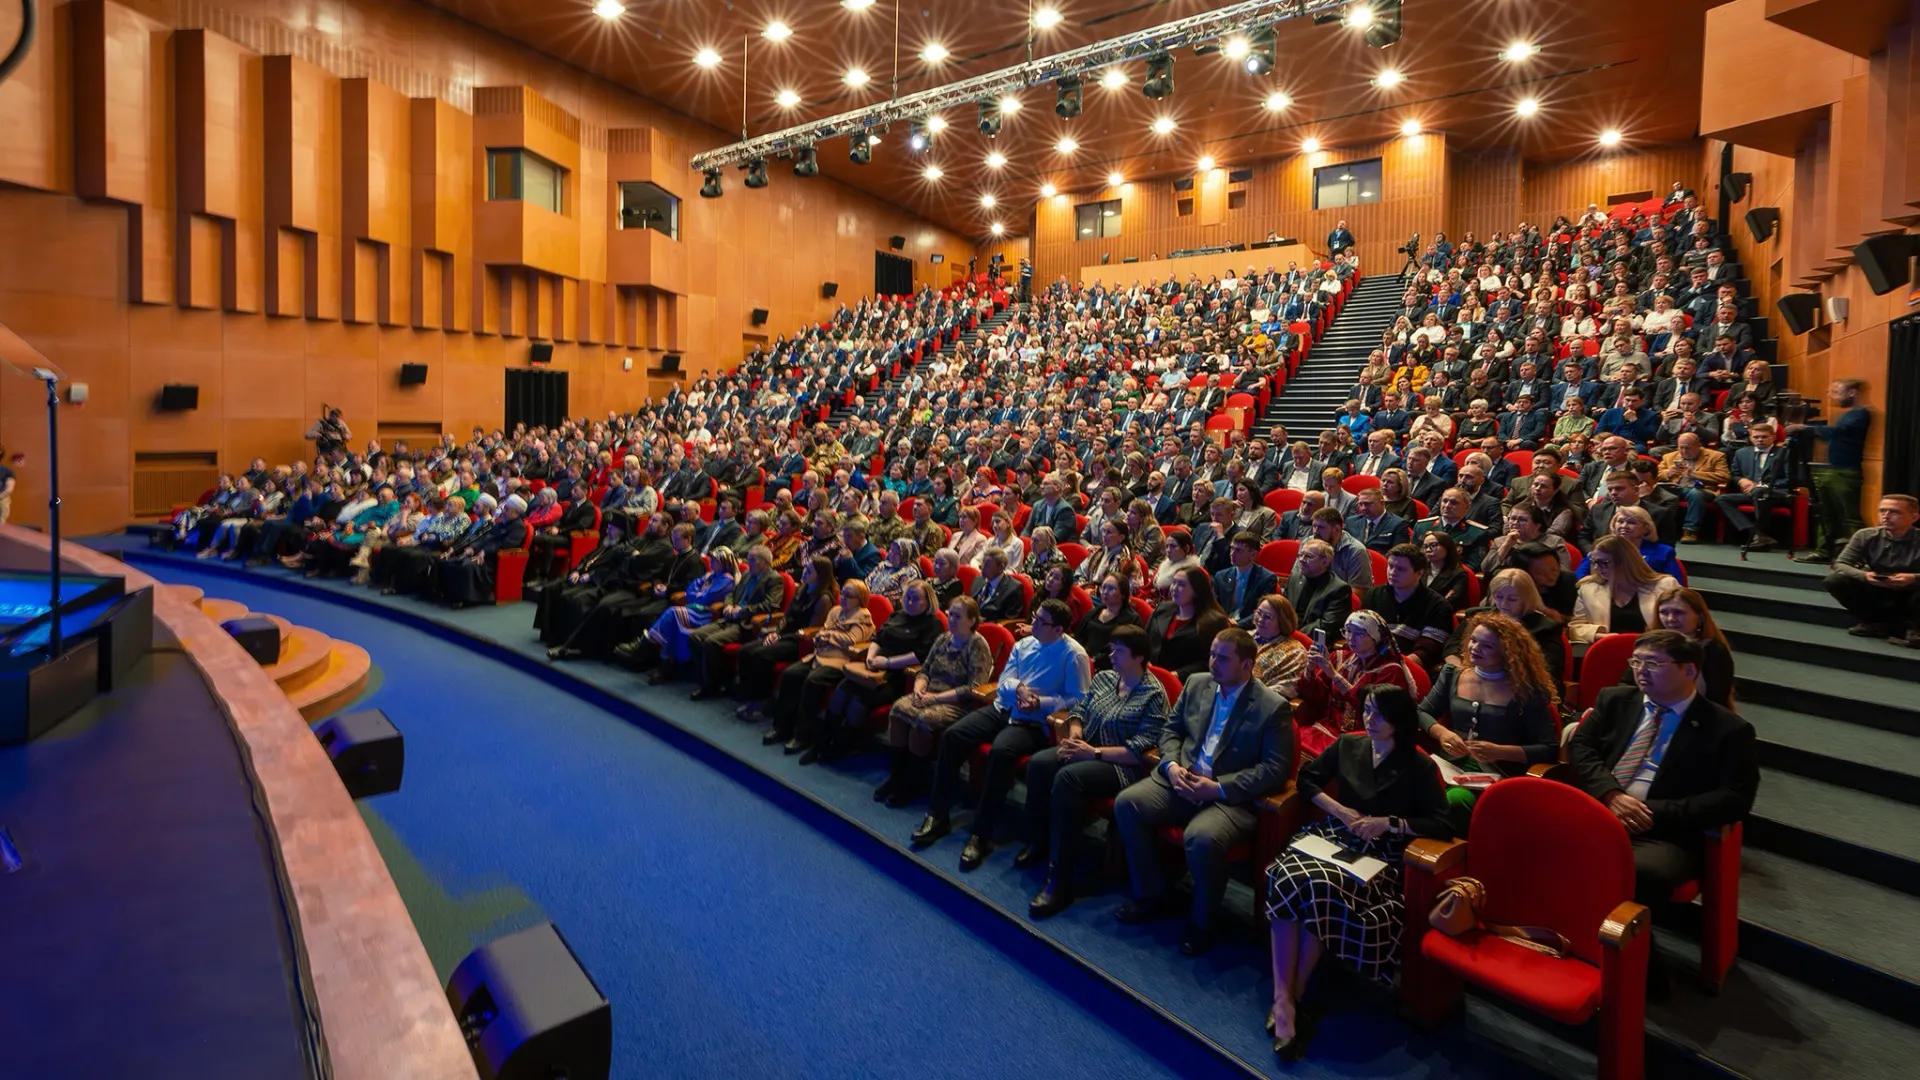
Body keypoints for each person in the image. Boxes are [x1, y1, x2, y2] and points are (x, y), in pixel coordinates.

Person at [1263, 685, 1452, 1059]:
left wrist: (1390, 824)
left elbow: (1441, 823)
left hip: (1379, 850)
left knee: (1320, 884)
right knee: (1286, 874)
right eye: (1366, 710)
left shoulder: (1418, 765)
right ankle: (1284, 995)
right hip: (1335, 833)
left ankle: (1293, 995)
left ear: (1398, 721)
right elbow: (1307, 780)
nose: (1370, 720)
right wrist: (1340, 811)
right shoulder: (1349, 745)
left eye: (1379, 714)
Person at [1112, 628, 1293, 956]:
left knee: (1202, 837)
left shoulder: (1272, 707)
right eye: (1212, 654)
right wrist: (1171, 766)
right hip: (1181, 780)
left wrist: (1219, 788)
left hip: (1228, 798)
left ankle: (1204, 921)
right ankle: (1154, 894)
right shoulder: (1197, 684)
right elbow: (1171, 731)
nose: (1213, 662)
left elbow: (1275, 769)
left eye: (1223, 658)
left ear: (1247, 665)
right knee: (1128, 803)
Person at [1567, 631, 1759, 911]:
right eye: (1636, 662)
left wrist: (1648, 812)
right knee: (1533, 834)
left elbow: (1735, 799)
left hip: (1662, 832)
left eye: (1653, 664)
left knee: (1639, 872)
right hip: (1599, 807)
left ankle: (1624, 945)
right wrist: (1610, 794)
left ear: (1689, 670)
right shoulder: (1615, 699)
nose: (1641, 671)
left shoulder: (1728, 729)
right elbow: (1582, 746)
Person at [912, 599, 1092, 871]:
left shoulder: (1073, 655)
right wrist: (1019, 689)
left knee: (1000, 752)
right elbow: (1005, 680)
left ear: (1057, 629)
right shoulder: (1024, 644)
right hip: (1003, 707)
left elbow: (1078, 699)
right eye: (1035, 616)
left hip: (1034, 722)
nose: (1033, 624)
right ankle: (938, 815)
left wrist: (1040, 703)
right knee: (954, 736)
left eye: (1041, 621)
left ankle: (981, 835)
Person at [1025, 625, 1171, 918]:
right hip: (1087, 750)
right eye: (1111, 648)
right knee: (1040, 764)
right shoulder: (1105, 678)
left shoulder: (1153, 694)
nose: (1111, 654)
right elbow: (1080, 709)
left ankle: (1061, 880)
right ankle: (1040, 841)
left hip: (1121, 767)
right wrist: (1076, 733)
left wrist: (1092, 752)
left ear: (1139, 657)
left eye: (1119, 650)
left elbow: (1139, 750)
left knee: (1069, 778)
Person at [1418, 612, 1560, 825]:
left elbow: (1549, 748)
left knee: (1453, 801)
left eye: (1487, 646)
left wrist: (1499, 751)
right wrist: (1442, 733)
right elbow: (1422, 712)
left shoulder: (1527, 691)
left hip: (1497, 774)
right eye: (1473, 640)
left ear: (1507, 653)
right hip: (1449, 764)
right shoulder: (1451, 674)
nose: (1474, 648)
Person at [812, 578, 946, 764]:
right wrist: (871, 656)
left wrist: (888, 662)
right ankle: (822, 742)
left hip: (897, 676)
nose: (910, 601)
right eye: (908, 597)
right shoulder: (897, 615)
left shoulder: (933, 624)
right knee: (841, 692)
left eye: (916, 598)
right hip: (872, 668)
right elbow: (878, 638)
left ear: (928, 601)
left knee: (857, 703)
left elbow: (920, 656)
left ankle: (842, 746)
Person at [881, 594, 998, 806]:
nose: (951, 619)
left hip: (956, 702)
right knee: (898, 709)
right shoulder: (943, 639)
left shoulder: (977, 645)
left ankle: (914, 780)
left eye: (957, 616)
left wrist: (934, 699)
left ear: (972, 620)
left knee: (923, 719)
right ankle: (897, 775)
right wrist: (919, 689)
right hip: (928, 694)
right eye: (950, 615)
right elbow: (924, 670)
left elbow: (973, 688)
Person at [767, 578, 877, 752]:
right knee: (790, 674)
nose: (844, 598)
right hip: (819, 655)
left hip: (841, 661)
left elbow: (851, 641)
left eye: (850, 595)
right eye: (844, 593)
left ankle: (802, 736)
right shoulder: (835, 611)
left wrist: (829, 636)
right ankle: (781, 727)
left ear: (860, 599)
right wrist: (824, 636)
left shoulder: (863, 616)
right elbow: (824, 630)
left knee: (813, 681)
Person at [1295, 609, 1416, 759]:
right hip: (1327, 728)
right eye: (1347, 631)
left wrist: (1333, 674)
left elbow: (1370, 708)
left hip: (1365, 738)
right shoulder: (1340, 657)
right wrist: (1310, 668)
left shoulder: (1390, 671)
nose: (1350, 638)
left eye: (1358, 633)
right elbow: (1318, 696)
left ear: (1375, 638)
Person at [734, 556, 836, 723]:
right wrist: (776, 633)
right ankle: (749, 697)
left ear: (820, 575)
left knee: (761, 654)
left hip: (798, 641)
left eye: (809, 571)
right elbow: (786, 617)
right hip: (784, 634)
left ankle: (763, 702)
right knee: (746, 651)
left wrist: (781, 636)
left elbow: (809, 630)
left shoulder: (823, 599)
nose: (804, 572)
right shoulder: (802, 589)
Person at [686, 544, 787, 699]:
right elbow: (732, 593)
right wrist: (729, 605)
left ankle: (712, 686)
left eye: (753, 559)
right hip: (729, 617)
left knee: (711, 642)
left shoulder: (774, 579)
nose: (749, 562)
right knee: (696, 636)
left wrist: (741, 611)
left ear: (764, 561)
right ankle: (703, 680)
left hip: (745, 624)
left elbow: (770, 605)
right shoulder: (746, 574)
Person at [1788, 379, 1872, 563]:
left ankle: (1863, 557)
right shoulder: (1848, 414)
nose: (1831, 396)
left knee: (1849, 517)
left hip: (1846, 472)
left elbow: (1835, 433)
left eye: (1836, 392)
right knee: (1826, 513)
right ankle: (1823, 551)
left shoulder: (1860, 414)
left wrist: (1804, 427)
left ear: (1852, 393)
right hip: (1833, 469)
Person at [1444, 567, 1569, 688]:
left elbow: (1550, 673)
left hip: (1520, 688)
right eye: (1498, 597)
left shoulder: (1545, 629)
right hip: (1470, 680)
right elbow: (1451, 647)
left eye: (1512, 599)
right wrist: (1463, 672)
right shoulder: (1477, 616)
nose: (1503, 604)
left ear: (1527, 599)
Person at [1821, 494, 1920, 647]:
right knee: (1835, 580)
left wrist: (1913, 577)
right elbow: (1840, 564)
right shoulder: (1865, 535)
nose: (1886, 516)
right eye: (1882, 511)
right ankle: (1875, 622)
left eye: (1894, 512)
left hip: (1912, 590)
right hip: (1877, 586)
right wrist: (1864, 576)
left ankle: (1914, 627)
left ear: (1914, 517)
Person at [640, 548, 739, 681]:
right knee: (674, 624)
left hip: (706, 614)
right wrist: (698, 594)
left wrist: (698, 594)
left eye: (715, 560)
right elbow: (690, 590)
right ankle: (666, 665)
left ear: (723, 563)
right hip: (693, 609)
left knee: (673, 612)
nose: (711, 562)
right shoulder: (710, 575)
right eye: (711, 559)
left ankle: (652, 639)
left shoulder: (727, 580)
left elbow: (707, 598)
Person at [1569, 534, 1680, 642]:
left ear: (1624, 562)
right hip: (1609, 650)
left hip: (1656, 652)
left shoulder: (1665, 586)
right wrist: (1601, 636)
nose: (1597, 567)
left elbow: (1681, 624)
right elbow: (1575, 628)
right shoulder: (1588, 589)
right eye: (1594, 562)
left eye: (1603, 562)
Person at [1360, 543, 1453, 671]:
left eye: (1401, 569)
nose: (1392, 573)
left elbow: (1427, 651)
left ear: (1419, 573)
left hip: (1407, 669)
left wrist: (1391, 667)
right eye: (1390, 566)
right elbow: (1360, 632)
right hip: (1370, 662)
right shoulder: (1373, 595)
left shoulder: (1438, 606)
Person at [1713, 422, 1792, 551]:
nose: (1759, 440)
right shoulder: (1741, 453)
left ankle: (1759, 536)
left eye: (1764, 437)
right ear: (1750, 438)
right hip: (1751, 492)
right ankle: (1755, 534)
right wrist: (1741, 480)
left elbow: (1790, 478)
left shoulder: (1784, 453)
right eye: (1756, 437)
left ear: (1773, 437)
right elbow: (1735, 474)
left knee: (1759, 492)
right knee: (1721, 499)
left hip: (1776, 493)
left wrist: (1765, 486)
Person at [1147, 565, 1233, 678]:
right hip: (1148, 674)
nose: (1174, 588)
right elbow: (1144, 639)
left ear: (1197, 590)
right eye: (1174, 582)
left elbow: (1208, 662)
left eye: (1181, 584)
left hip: (1183, 681)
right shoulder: (1163, 608)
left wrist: (1176, 675)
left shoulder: (1214, 622)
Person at [1284, 539, 1358, 640]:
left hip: (1312, 642)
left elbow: (1327, 627)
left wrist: (1294, 635)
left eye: (1308, 556)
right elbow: (1282, 610)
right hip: (1285, 635)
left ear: (1325, 562)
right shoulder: (1294, 578)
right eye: (1300, 555)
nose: (1301, 559)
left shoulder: (1339, 589)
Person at [1074, 570, 1144, 669]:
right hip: (1082, 660)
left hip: (1109, 667)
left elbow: (1124, 651)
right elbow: (1079, 635)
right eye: (1104, 587)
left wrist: (1094, 661)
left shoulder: (1131, 619)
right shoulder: (1095, 612)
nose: (1105, 592)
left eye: (1111, 589)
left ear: (1123, 595)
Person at [1251, 594, 1309, 702]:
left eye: (1268, 617)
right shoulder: (1245, 637)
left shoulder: (1295, 652)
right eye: (1259, 612)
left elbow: (1283, 691)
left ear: (1282, 622)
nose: (1260, 619)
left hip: (1260, 704)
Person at [1214, 531, 1279, 628]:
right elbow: (1214, 605)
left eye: (1239, 550)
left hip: (1250, 627)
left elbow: (1264, 611)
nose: (1232, 554)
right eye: (1232, 548)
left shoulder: (1267, 579)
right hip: (1223, 624)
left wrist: (1239, 624)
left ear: (1253, 554)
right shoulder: (1221, 576)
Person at [1417, 529, 1473, 612]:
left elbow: (1451, 602)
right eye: (1425, 546)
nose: (1428, 550)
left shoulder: (1459, 574)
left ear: (1447, 547)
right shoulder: (1419, 569)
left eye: (1433, 545)